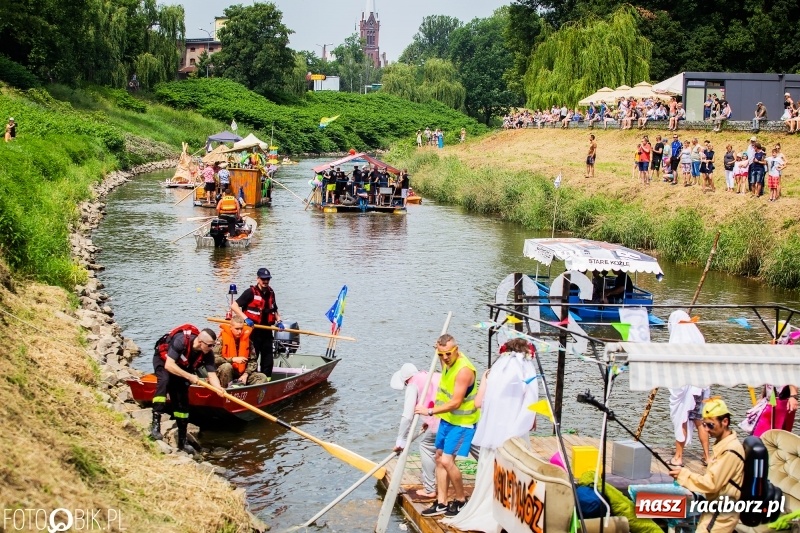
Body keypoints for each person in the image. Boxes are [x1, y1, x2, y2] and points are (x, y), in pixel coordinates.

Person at [442, 338, 538, 531]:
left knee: (490, 473)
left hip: (493, 433)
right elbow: (531, 403)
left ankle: (489, 509)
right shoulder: (526, 372)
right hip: (515, 432)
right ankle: (513, 512)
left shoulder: (490, 373)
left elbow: (478, 403)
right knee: (516, 473)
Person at [416, 334, 480, 518]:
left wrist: (429, 412)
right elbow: (443, 357)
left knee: (446, 460)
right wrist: (437, 349)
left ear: (456, 350)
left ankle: (460, 500)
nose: (445, 358)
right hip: (448, 420)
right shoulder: (446, 361)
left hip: (462, 422)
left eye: (448, 354)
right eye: (441, 354)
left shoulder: (464, 371)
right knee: (438, 457)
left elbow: (456, 403)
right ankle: (442, 502)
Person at [670, 398, 744, 533]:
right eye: (704, 424)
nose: (706, 429)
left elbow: (711, 483)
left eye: (710, 425)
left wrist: (684, 475)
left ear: (725, 422)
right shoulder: (723, 445)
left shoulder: (730, 451)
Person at [150, 324, 224, 451]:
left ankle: (182, 441)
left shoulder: (207, 353)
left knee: (182, 398)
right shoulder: (181, 341)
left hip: (183, 367)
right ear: (200, 342)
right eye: (210, 345)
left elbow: (212, 374)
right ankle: (155, 425)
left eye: (214, 345)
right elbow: (169, 365)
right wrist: (189, 376)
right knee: (165, 381)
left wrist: (219, 389)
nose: (212, 348)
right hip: (165, 362)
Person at [391, 363, 442, 498]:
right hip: (454, 416)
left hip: (441, 419)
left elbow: (407, 417)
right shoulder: (431, 375)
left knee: (426, 446)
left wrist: (400, 441)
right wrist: (427, 422)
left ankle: (429, 489)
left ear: (406, 381)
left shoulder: (413, 384)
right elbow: (433, 397)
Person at [230, 268, 282, 380]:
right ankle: (247, 379)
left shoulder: (271, 292)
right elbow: (234, 306)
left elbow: (275, 309)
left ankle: (266, 381)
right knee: (253, 357)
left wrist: (279, 321)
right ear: (258, 279)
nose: (265, 281)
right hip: (253, 331)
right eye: (263, 279)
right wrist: (246, 318)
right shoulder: (250, 292)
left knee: (268, 360)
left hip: (267, 331)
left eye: (267, 279)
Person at [214, 316, 268, 388]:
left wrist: (246, 374)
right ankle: (227, 391)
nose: (239, 332)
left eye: (241, 329)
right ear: (231, 327)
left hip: (241, 374)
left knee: (262, 377)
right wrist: (232, 360)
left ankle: (246, 393)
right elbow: (215, 359)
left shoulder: (248, 342)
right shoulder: (221, 340)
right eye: (237, 329)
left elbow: (253, 361)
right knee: (226, 367)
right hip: (225, 374)